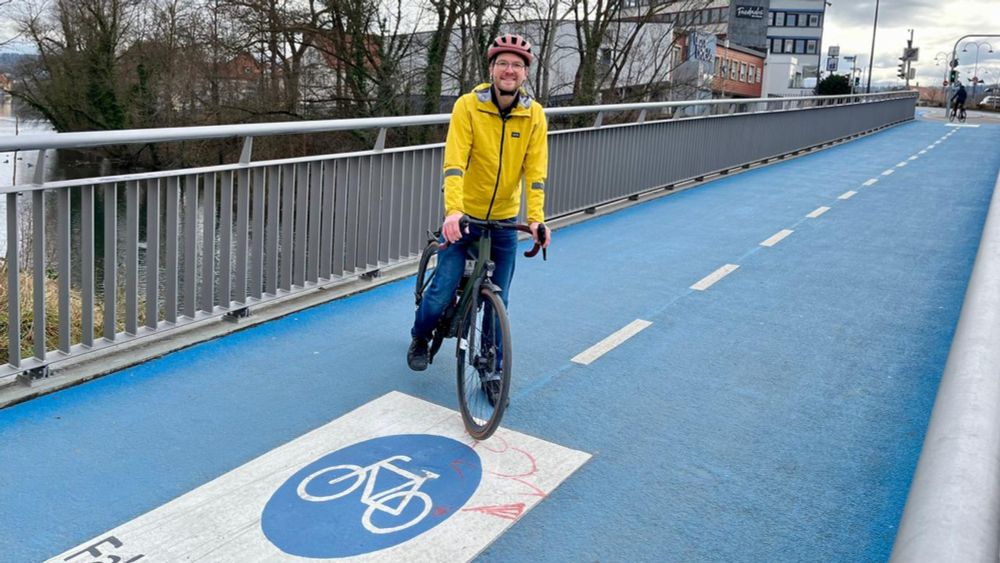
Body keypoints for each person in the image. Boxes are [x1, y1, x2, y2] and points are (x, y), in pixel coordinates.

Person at [407, 33, 550, 383]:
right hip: (465, 217)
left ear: (525, 74)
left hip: (503, 220)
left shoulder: (534, 116)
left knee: (499, 299)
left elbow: (536, 173)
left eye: (517, 65)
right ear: (491, 68)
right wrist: (453, 210)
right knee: (441, 292)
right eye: (503, 63)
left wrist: (536, 220)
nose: (510, 70)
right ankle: (420, 337)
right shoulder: (468, 106)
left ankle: (492, 370)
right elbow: (454, 163)